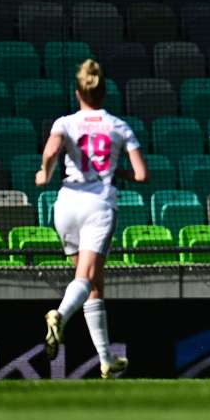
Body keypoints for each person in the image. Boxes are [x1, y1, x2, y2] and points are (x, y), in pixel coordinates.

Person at [35, 59, 149, 378]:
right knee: (86, 279)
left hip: (66, 204)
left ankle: (106, 359)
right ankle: (59, 315)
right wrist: (117, 171)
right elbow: (141, 174)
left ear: (78, 93)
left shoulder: (64, 122)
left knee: (92, 283)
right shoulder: (118, 126)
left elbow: (49, 154)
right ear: (104, 93)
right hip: (98, 205)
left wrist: (45, 175)